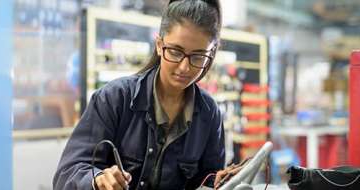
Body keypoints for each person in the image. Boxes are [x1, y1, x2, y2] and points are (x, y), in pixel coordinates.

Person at [53, 0, 240, 189]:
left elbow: (206, 178)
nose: (185, 67)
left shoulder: (209, 114)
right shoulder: (114, 99)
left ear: (211, 54)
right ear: (159, 44)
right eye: (175, 52)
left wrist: (218, 182)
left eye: (198, 57)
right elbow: (66, 174)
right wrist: (97, 179)